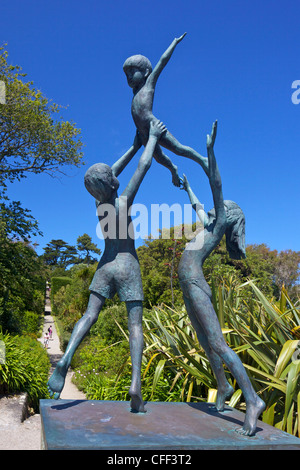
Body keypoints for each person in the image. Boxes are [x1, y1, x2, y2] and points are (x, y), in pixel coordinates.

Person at [47, 120, 167, 413]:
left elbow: (108, 174)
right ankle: (136, 384)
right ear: (112, 184)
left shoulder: (99, 205)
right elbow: (144, 166)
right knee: (135, 325)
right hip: (127, 264)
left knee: (89, 316)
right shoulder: (123, 202)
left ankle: (66, 358)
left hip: (105, 264)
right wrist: (151, 139)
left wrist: (132, 145)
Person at [178, 120, 265, 436]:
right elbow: (199, 207)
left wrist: (210, 152)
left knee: (218, 343)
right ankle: (224, 386)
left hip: (195, 282)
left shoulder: (218, 225)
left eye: (221, 208)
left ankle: (253, 400)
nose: (216, 209)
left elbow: (215, 184)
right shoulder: (209, 226)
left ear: (227, 216)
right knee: (205, 341)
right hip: (187, 284)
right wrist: (187, 187)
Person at [123, 33, 209, 187]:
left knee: (178, 148)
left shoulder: (148, 85)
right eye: (126, 74)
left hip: (153, 127)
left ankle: (202, 160)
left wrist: (174, 43)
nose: (129, 76)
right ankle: (173, 169)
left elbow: (162, 62)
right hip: (143, 133)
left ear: (145, 72)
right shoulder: (135, 94)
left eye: (132, 71)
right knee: (159, 157)